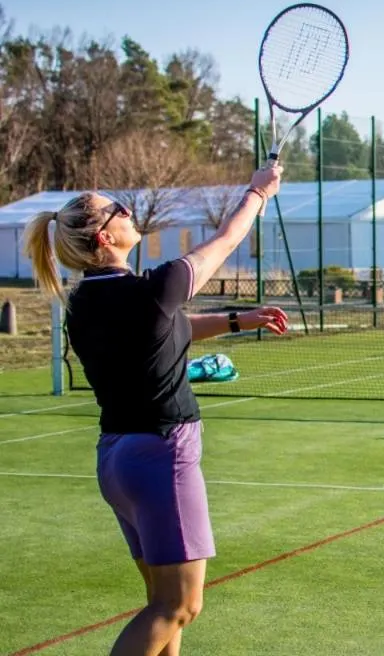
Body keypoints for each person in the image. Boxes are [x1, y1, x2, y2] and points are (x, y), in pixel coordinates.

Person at [22, 164, 287, 656]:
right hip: (161, 455)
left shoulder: (87, 302)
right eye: (117, 209)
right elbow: (227, 239)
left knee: (161, 603)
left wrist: (236, 319)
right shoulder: (149, 293)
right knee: (178, 606)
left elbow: (167, 330)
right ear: (105, 236)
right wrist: (258, 191)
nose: (128, 210)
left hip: (117, 460)